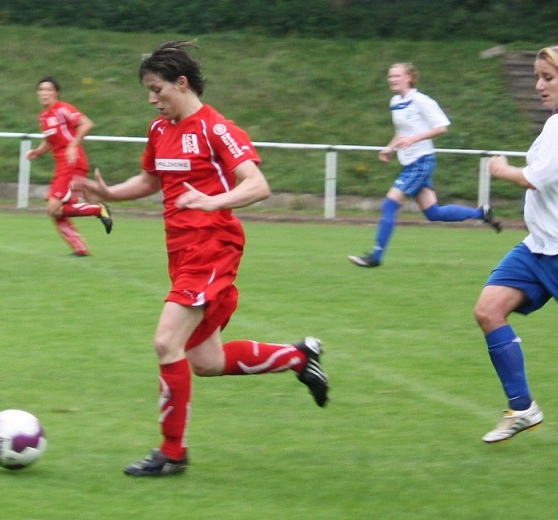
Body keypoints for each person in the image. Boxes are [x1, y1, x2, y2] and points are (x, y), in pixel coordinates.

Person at [75, 41, 329, 477]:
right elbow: (152, 178)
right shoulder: (160, 130)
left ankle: (172, 454)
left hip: (213, 247)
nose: (152, 99)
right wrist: (110, 193)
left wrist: (214, 202)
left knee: (164, 342)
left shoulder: (216, 128)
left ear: (182, 82)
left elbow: (257, 185)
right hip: (181, 252)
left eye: (157, 89)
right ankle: (298, 358)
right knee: (205, 362)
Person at [472, 45, 558, 443]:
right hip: (536, 247)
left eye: (548, 77)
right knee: (489, 310)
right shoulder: (552, 125)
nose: (539, 85)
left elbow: (533, 178)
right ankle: (522, 407)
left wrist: (503, 168)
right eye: (538, 77)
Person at [348, 62, 501, 268]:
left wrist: (414, 140)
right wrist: (390, 147)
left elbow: (442, 127)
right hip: (411, 162)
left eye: (397, 75)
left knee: (389, 204)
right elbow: (402, 132)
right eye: (390, 76)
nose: (392, 79)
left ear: (409, 77)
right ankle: (482, 213)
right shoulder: (395, 102)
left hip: (421, 162)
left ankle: (375, 256)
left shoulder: (421, 101)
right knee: (433, 213)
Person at [25, 76, 112, 256]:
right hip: (62, 166)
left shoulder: (62, 109)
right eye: (41, 89)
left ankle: (98, 209)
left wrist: (73, 145)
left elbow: (86, 124)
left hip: (73, 163)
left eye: (48, 89)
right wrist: (37, 152)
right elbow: (50, 140)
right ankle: (80, 249)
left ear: (56, 93)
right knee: (55, 210)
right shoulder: (44, 115)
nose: (44, 93)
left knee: (53, 207)